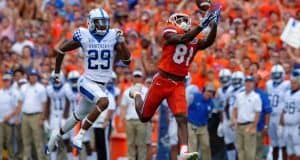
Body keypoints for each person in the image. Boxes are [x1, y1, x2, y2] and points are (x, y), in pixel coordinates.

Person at [130, 9, 220, 160]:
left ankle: (184, 152)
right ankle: (137, 93)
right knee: (144, 117)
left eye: (183, 19)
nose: (181, 22)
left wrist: (214, 26)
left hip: (178, 83)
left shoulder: (193, 38)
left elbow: (208, 42)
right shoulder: (170, 32)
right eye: (178, 19)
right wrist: (201, 27)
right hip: (162, 81)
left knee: (182, 118)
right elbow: (181, 39)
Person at [46, 8, 131, 152]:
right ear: (91, 23)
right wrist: (57, 71)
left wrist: (122, 42)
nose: (104, 26)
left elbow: (127, 60)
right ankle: (80, 135)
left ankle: (57, 135)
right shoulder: (83, 34)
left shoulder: (112, 35)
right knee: (104, 102)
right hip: (87, 81)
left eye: (105, 22)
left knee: (77, 116)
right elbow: (62, 49)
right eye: (100, 23)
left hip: (101, 86)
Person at [16, 69, 47, 160]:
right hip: (25, 116)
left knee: (38, 140)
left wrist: (42, 118)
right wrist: (17, 117)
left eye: (35, 75)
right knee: (26, 140)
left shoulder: (41, 88)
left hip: (36, 116)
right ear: (28, 76)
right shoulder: (24, 87)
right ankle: (26, 158)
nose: (33, 77)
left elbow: (44, 104)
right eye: (31, 75)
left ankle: (41, 158)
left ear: (37, 77)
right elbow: (20, 103)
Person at [64, 71, 95, 159]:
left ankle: (88, 158)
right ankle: (73, 158)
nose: (74, 82)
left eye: (75, 80)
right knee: (72, 141)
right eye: (72, 80)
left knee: (86, 141)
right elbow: (67, 104)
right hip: (73, 117)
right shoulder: (67, 89)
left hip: (84, 117)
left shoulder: (86, 89)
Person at [120, 70, 150, 160]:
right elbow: (124, 106)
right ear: (132, 78)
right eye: (135, 76)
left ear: (142, 78)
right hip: (130, 120)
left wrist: (150, 120)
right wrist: (122, 120)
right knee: (130, 143)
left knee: (141, 144)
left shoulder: (146, 91)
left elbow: (149, 105)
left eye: (139, 76)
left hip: (142, 120)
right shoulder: (127, 91)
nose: (137, 78)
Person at [232, 76, 262, 160]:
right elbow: (235, 108)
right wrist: (234, 119)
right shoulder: (239, 95)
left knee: (249, 151)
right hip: (239, 125)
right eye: (247, 82)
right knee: (240, 150)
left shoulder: (256, 97)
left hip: (249, 125)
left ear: (253, 84)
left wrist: (254, 126)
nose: (248, 84)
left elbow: (257, 113)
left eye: (250, 82)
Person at [44, 71, 71, 160]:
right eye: (54, 79)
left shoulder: (66, 88)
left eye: (57, 79)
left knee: (64, 141)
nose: (56, 81)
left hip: (63, 116)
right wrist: (45, 119)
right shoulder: (49, 89)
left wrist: (64, 118)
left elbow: (68, 103)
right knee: (52, 140)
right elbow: (47, 104)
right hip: (53, 117)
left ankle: (63, 158)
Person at [218, 71, 245, 160]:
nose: (236, 82)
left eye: (238, 80)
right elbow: (224, 106)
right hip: (229, 120)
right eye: (234, 80)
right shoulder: (230, 90)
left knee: (239, 145)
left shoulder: (244, 91)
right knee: (229, 143)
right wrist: (223, 122)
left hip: (239, 121)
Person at [266, 64, 290, 160]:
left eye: (278, 74)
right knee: (274, 142)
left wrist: (282, 120)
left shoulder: (287, 84)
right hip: (271, 116)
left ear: (283, 74)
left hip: (281, 117)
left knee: (283, 143)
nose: (276, 76)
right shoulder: (268, 84)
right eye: (274, 74)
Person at [187, 83, 215, 160]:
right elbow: (186, 105)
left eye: (211, 92)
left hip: (203, 126)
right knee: (192, 146)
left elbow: (209, 116)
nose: (209, 93)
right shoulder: (194, 96)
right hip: (191, 125)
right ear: (203, 91)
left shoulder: (211, 103)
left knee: (206, 145)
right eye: (208, 91)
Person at [279, 69, 300, 160]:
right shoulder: (287, 94)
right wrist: (281, 125)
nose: (292, 85)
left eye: (295, 83)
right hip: (287, 126)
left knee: (298, 150)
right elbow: (283, 111)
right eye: (291, 83)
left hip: (297, 126)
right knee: (289, 151)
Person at [215, 68, 235, 160]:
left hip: (234, 119)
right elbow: (220, 108)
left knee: (237, 142)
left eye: (226, 78)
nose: (224, 81)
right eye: (222, 79)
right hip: (226, 119)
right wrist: (222, 122)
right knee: (228, 142)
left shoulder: (234, 89)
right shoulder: (219, 91)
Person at [0, 73, 20, 160]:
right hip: (0, 120)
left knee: (9, 141)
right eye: (4, 80)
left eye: (7, 80)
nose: (6, 82)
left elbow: (18, 107)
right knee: (0, 141)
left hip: (9, 121)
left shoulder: (14, 92)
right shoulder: (0, 92)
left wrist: (9, 116)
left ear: (11, 81)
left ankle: (12, 157)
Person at [93, 87, 116, 160]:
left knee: (105, 146)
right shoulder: (96, 94)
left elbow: (111, 108)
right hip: (96, 123)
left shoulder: (108, 95)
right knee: (98, 146)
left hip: (103, 123)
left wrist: (106, 120)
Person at [254, 80, 272, 160]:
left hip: (258, 126)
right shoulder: (242, 93)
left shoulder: (262, 94)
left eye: (251, 82)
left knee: (258, 151)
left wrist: (266, 126)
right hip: (246, 126)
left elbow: (267, 111)